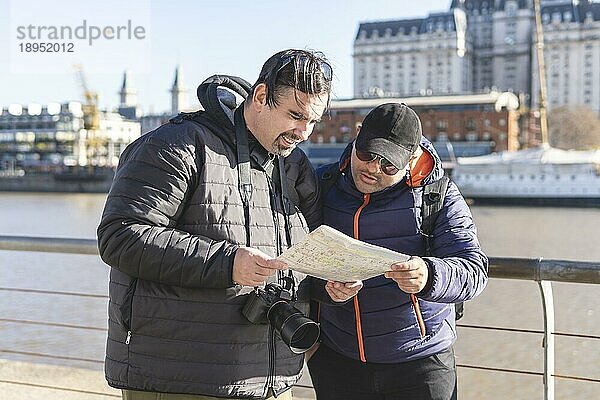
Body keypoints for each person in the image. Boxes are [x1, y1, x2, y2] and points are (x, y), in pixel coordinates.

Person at [97, 49, 362, 400]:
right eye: (295, 115)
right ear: (262, 96)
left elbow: (305, 257)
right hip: (178, 378)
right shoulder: (178, 145)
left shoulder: (294, 166)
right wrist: (228, 263)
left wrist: (326, 285)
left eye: (311, 121)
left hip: (267, 379)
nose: (303, 132)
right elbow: (120, 236)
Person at [307, 103, 488, 400]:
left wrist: (430, 275)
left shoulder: (438, 195)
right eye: (366, 154)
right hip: (338, 361)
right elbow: (295, 260)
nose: (372, 168)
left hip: (421, 365)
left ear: (411, 158)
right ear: (357, 135)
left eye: (388, 164)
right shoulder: (322, 184)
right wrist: (325, 289)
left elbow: (475, 271)